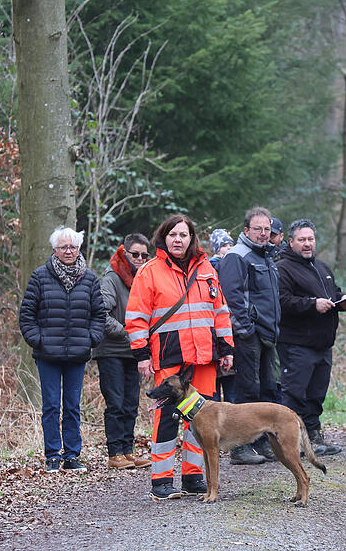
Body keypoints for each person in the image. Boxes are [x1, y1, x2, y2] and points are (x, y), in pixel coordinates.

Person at [125, 214, 235, 500]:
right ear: (164, 237)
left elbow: (220, 312)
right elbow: (136, 318)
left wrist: (226, 348)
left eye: (183, 235)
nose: (178, 239)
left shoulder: (207, 268)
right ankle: (161, 481)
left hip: (204, 358)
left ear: (191, 238)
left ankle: (193, 475)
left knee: (202, 420)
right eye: (173, 234)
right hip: (169, 356)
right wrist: (141, 354)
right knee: (166, 419)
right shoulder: (149, 271)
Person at [19, 226, 106, 473]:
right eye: (64, 247)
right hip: (48, 355)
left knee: (72, 406)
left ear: (79, 249)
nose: (69, 251)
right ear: (55, 250)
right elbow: (27, 315)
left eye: (73, 247)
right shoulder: (39, 276)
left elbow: (99, 314)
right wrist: (38, 340)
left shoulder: (89, 278)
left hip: (78, 353)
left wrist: (92, 338)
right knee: (51, 406)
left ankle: (71, 455)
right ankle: (52, 455)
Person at [276, 219, 346, 456]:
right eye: (302, 240)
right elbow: (282, 301)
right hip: (297, 343)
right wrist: (311, 305)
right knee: (295, 394)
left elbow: (331, 294)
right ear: (291, 242)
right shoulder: (282, 268)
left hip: (323, 344)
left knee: (316, 394)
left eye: (310, 239)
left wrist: (343, 301)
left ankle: (314, 435)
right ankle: (290, 443)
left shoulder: (322, 267)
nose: (307, 244)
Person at [217, 206, 281, 464]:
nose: (263, 234)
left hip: (268, 333)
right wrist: (245, 330)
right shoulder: (237, 256)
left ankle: (263, 442)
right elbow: (232, 297)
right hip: (248, 335)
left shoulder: (266, 256)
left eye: (267, 229)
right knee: (247, 391)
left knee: (267, 389)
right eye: (258, 229)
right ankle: (239, 448)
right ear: (246, 230)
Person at [94, 233, 152, 470]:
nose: (139, 259)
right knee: (115, 402)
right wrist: (129, 333)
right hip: (111, 350)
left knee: (130, 403)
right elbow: (100, 314)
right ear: (125, 253)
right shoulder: (112, 279)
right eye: (135, 254)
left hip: (133, 352)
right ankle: (114, 452)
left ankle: (127, 451)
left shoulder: (144, 279)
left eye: (144, 255)